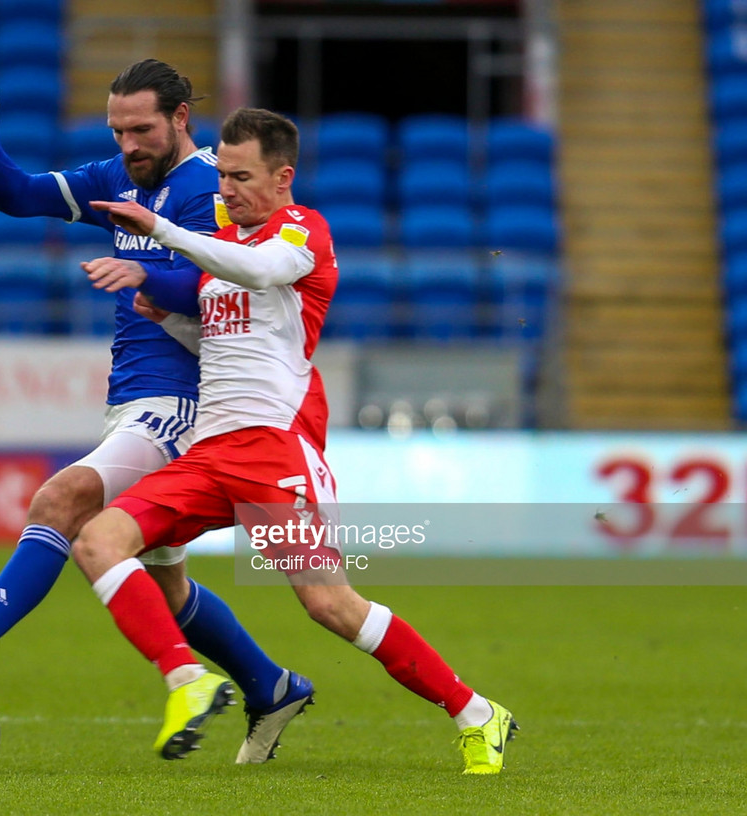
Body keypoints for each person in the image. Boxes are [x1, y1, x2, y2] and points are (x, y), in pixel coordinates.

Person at [73, 107, 518, 772]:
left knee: (330, 606)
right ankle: (186, 681)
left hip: (272, 452)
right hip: (209, 452)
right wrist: (167, 314)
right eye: (221, 174)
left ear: (283, 178)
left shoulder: (302, 230)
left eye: (241, 176)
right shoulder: (224, 251)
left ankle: (477, 713)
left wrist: (163, 231)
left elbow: (259, 274)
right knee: (98, 540)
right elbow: (223, 339)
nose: (226, 189)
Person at [0, 60, 314, 764]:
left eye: (142, 129)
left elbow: (214, 286)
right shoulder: (118, 178)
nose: (127, 144)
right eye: (118, 130)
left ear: (181, 118)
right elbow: (18, 195)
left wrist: (149, 272)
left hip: (183, 402)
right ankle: (271, 684)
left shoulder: (208, 188)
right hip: (131, 399)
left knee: (60, 500)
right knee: (164, 578)